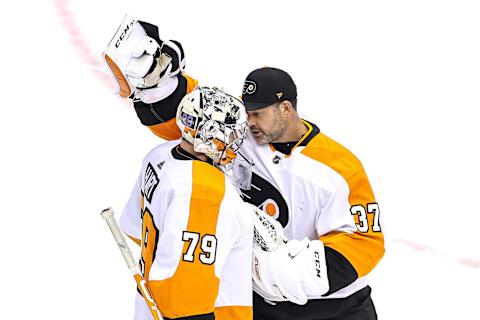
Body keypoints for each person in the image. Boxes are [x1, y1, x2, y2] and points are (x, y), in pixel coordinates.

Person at [105, 17, 384, 320]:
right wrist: (157, 81)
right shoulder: (238, 130)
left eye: (258, 114)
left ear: (286, 109)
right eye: (246, 112)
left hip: (334, 311)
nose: (248, 123)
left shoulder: (339, 168)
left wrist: (276, 269)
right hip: (259, 305)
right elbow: (191, 113)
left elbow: (365, 242)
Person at [106, 18, 254, 320]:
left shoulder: (158, 157)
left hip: (147, 308)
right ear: (206, 137)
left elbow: (135, 228)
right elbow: (185, 297)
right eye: (227, 134)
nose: (234, 142)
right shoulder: (205, 193)